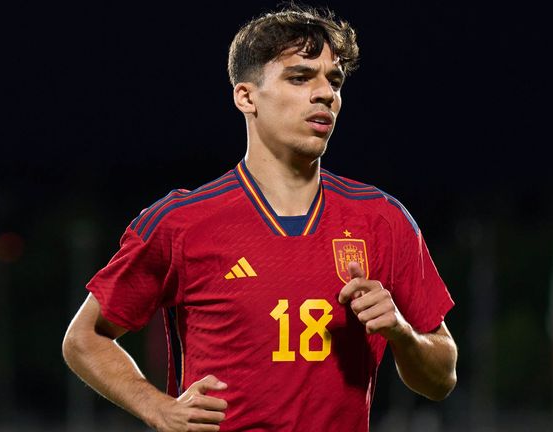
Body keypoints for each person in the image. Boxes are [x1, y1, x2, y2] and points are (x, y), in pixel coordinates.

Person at [62, 5, 457, 432]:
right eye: (300, 77)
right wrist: (156, 407)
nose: (325, 94)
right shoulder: (182, 223)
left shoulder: (382, 220)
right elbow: (84, 338)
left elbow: (442, 378)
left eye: (334, 80)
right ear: (246, 97)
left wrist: (401, 331)